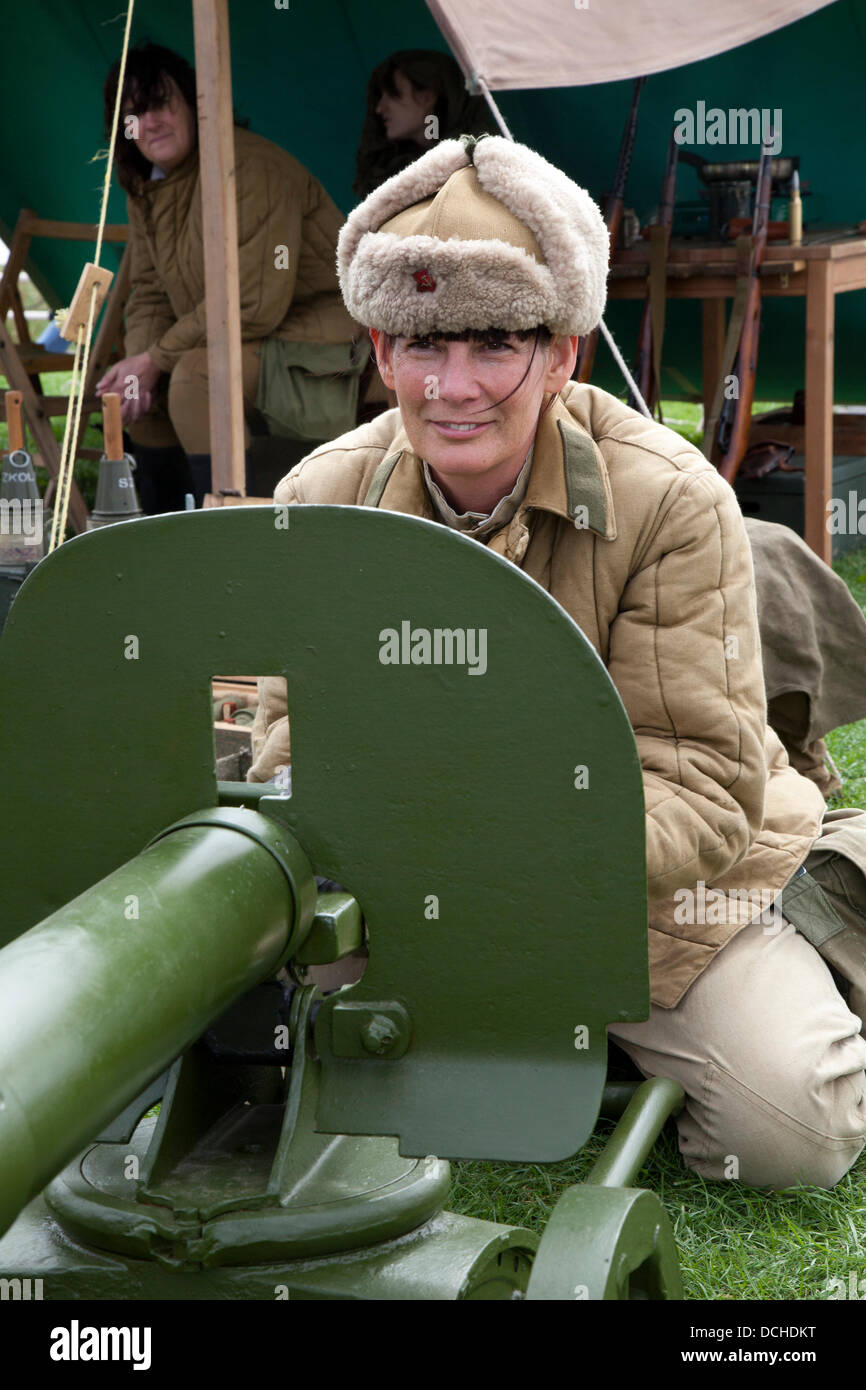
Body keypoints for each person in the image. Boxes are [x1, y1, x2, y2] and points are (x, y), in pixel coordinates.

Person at [248, 132, 866, 1190]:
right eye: (421, 346)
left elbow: (701, 798)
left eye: (493, 344)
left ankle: (809, 937)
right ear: (380, 352)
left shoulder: (666, 501)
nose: (453, 387)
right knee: (235, 1048)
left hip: (658, 901)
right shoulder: (318, 501)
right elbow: (278, 751)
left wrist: (473, 836)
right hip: (415, 896)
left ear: (562, 353)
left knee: (789, 1130)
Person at [96, 43, 363, 510]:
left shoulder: (248, 166)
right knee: (142, 401)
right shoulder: (146, 188)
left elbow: (254, 302)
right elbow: (150, 295)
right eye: (134, 113)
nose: (151, 122)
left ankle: (231, 537)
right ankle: (164, 550)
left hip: (329, 344)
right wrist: (141, 364)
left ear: (196, 104)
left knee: (195, 377)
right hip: (246, 340)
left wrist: (157, 358)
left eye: (161, 103)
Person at [353, 50, 497, 199]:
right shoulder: (383, 171)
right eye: (380, 96)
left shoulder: (484, 162)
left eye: (392, 94)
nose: (379, 108)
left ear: (427, 98)